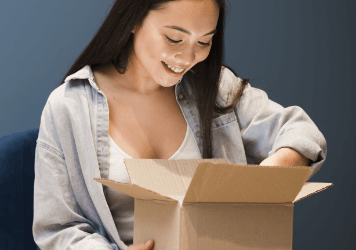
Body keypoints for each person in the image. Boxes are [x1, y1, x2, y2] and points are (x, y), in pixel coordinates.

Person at [33, 0, 327, 249]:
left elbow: (302, 133)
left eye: (204, 42)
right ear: (132, 20)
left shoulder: (217, 88)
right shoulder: (69, 107)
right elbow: (59, 229)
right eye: (174, 38)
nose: (188, 58)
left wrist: (261, 184)